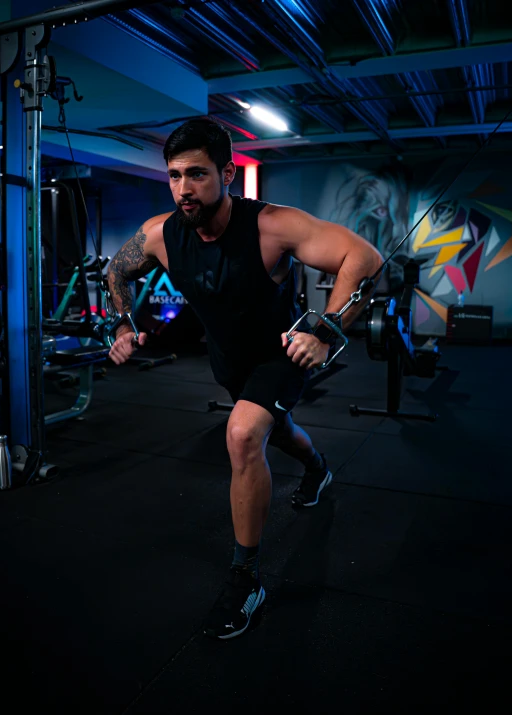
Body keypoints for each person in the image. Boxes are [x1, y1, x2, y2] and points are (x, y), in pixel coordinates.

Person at [106, 118, 384, 640]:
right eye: (174, 176)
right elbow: (115, 272)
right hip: (228, 360)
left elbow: (361, 257)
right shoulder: (159, 235)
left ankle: (246, 577)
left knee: (242, 434)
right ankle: (318, 468)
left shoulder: (272, 225)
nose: (184, 189)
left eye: (197, 175)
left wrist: (324, 330)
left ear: (228, 174)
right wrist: (121, 321)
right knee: (274, 429)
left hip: (280, 356)